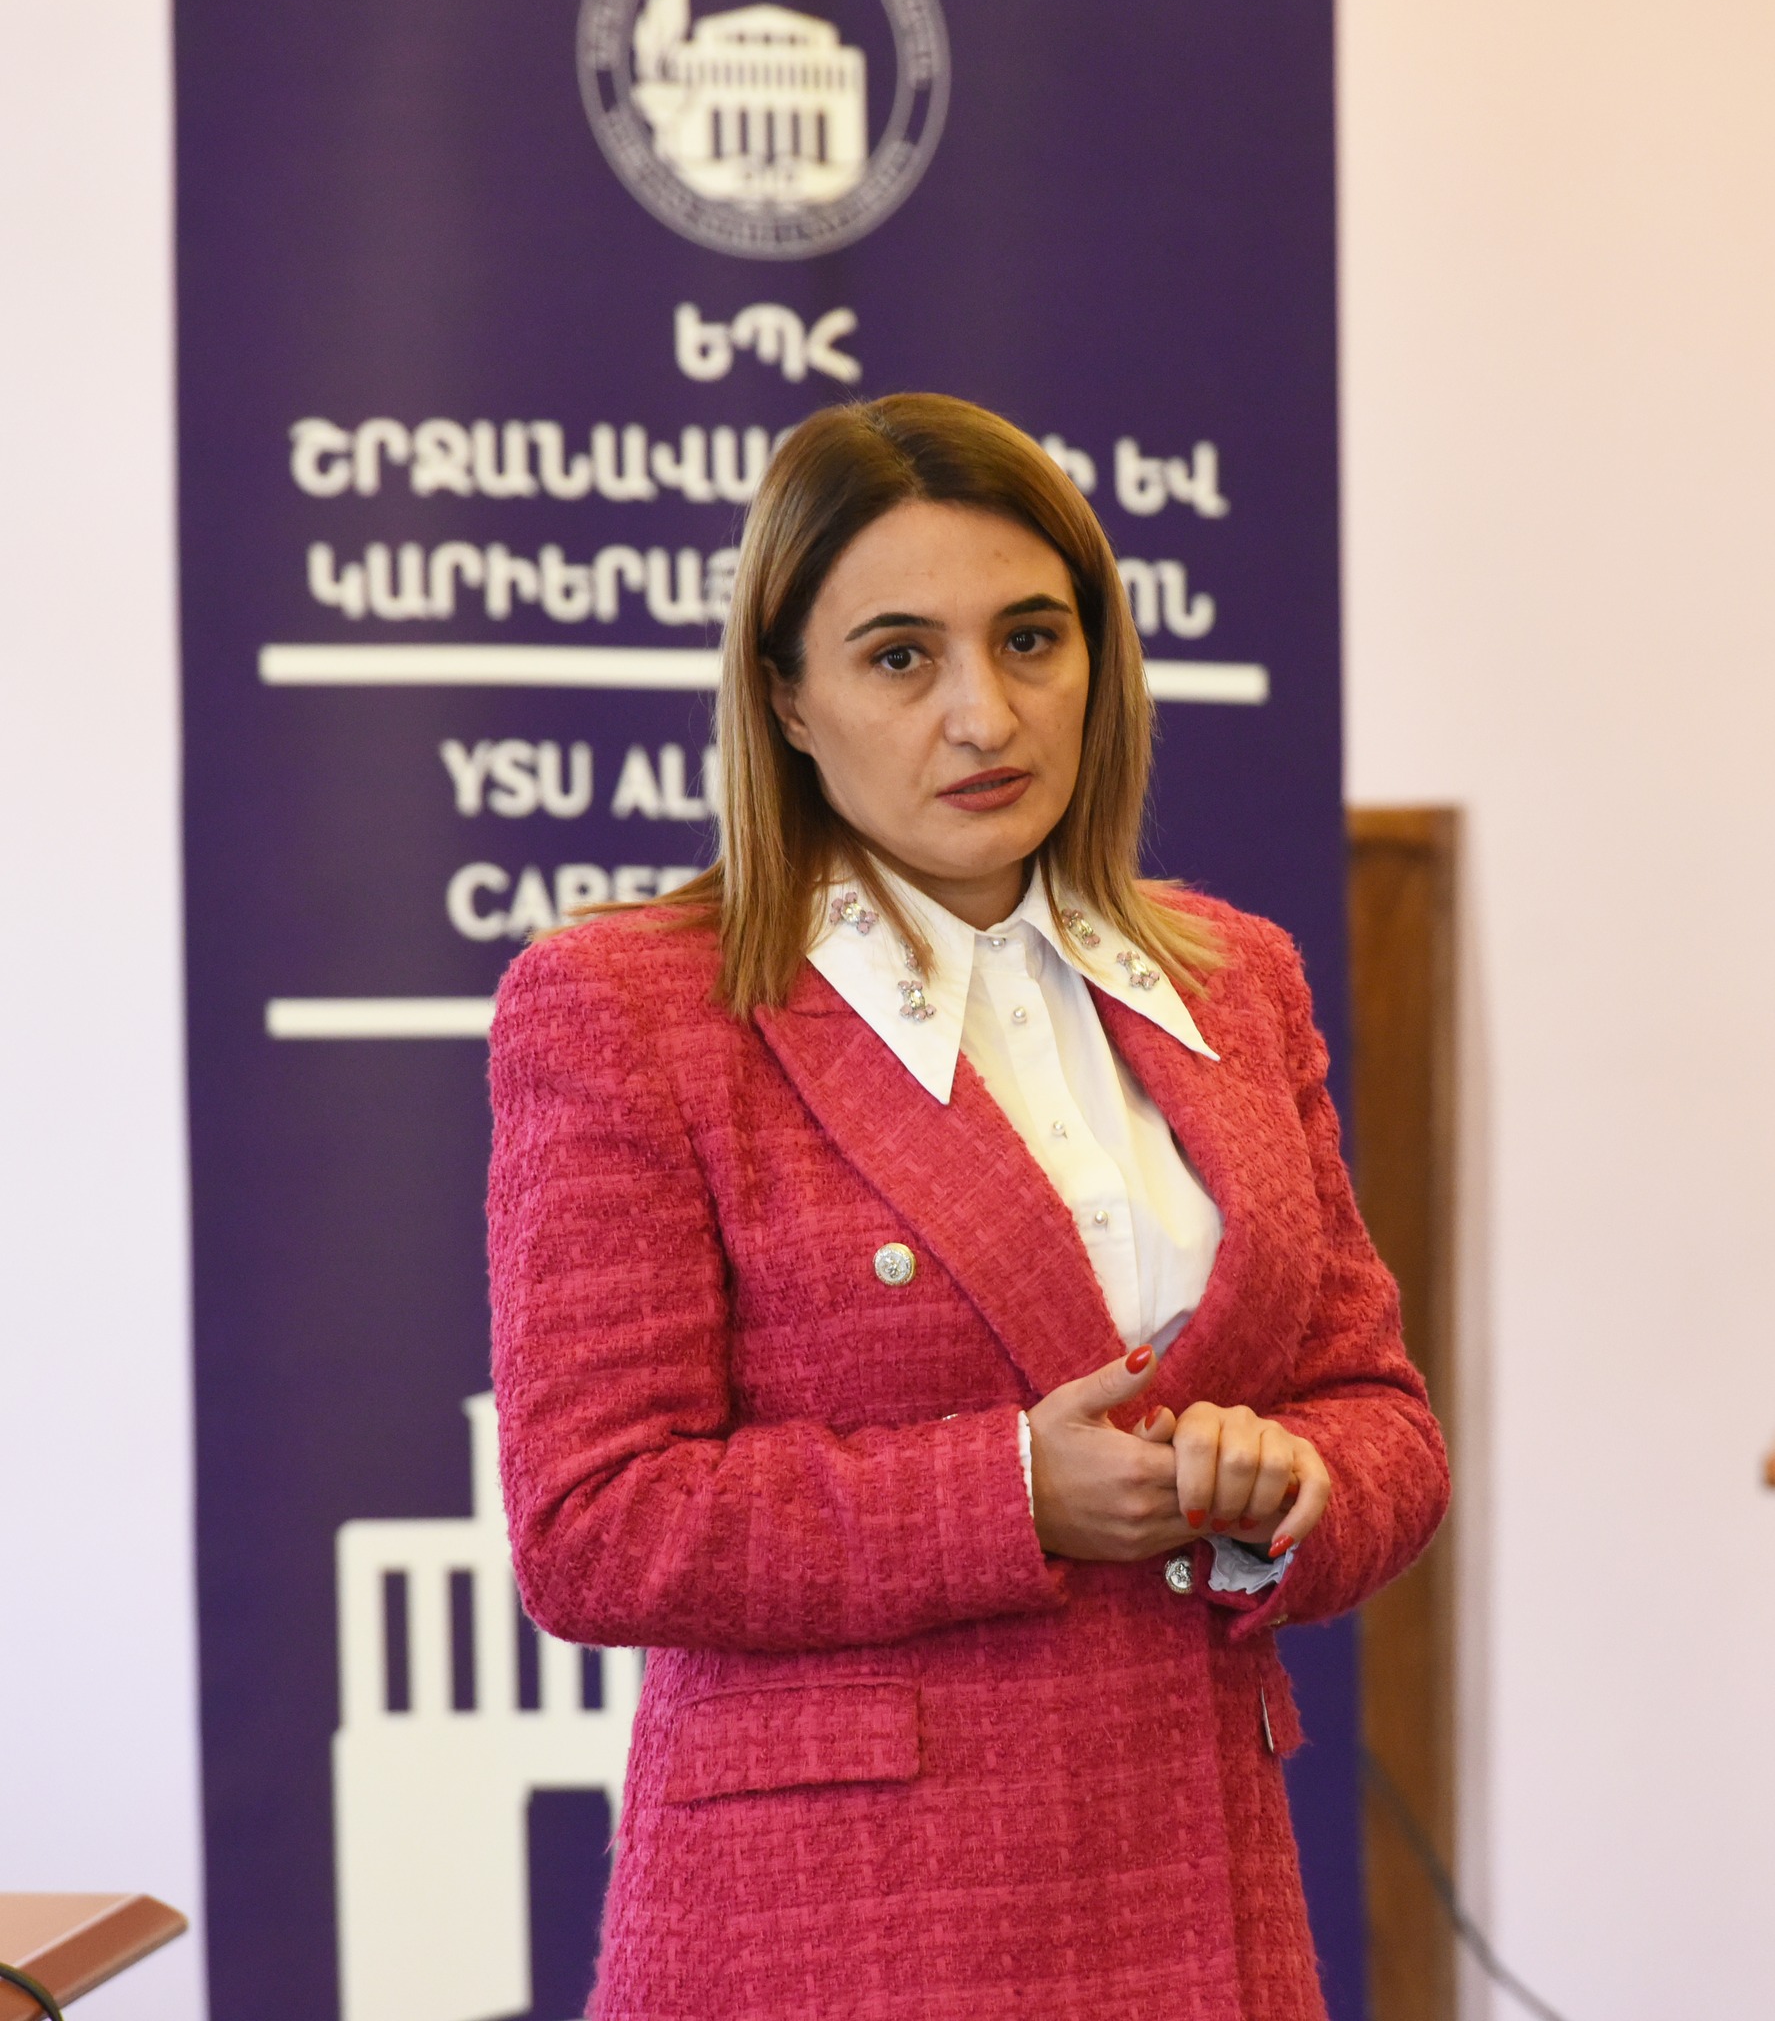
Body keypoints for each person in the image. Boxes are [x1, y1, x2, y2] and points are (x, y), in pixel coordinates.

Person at [487, 393, 1449, 2020]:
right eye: (899, 657)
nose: (984, 714)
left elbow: (1381, 1415)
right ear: (786, 699)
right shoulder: (628, 1007)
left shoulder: (1239, 979)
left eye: (1031, 639)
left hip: (1198, 1882)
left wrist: (1287, 1485)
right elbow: (595, 1526)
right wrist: (1011, 1492)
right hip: (837, 1926)